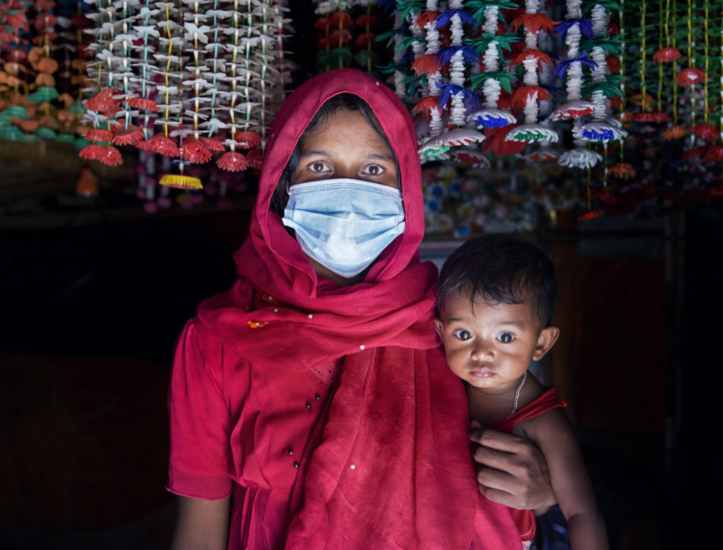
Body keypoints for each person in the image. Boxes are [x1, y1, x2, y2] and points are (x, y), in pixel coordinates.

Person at [167, 69, 556, 550]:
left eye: (374, 171)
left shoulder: (452, 329)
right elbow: (199, 533)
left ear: (406, 191)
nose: (348, 194)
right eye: (319, 168)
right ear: (282, 187)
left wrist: (542, 491)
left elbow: (519, 445)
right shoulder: (217, 342)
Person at [435, 234, 608, 550]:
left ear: (541, 343)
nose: (482, 353)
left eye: (504, 337)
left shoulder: (544, 422)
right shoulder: (437, 387)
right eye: (463, 334)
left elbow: (582, 513)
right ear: (439, 333)